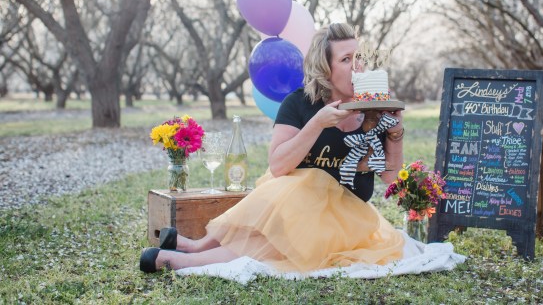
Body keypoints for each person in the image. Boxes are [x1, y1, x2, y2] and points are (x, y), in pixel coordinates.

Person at [140, 23, 406, 273]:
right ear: (325, 68)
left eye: (358, 58)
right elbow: (278, 166)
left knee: (279, 240)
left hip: (346, 218)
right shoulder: (300, 103)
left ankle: (187, 258)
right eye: (346, 59)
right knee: (288, 198)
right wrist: (317, 123)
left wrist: (395, 133)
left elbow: (389, 176)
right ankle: (196, 247)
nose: (357, 66)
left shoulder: (374, 109)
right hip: (293, 207)